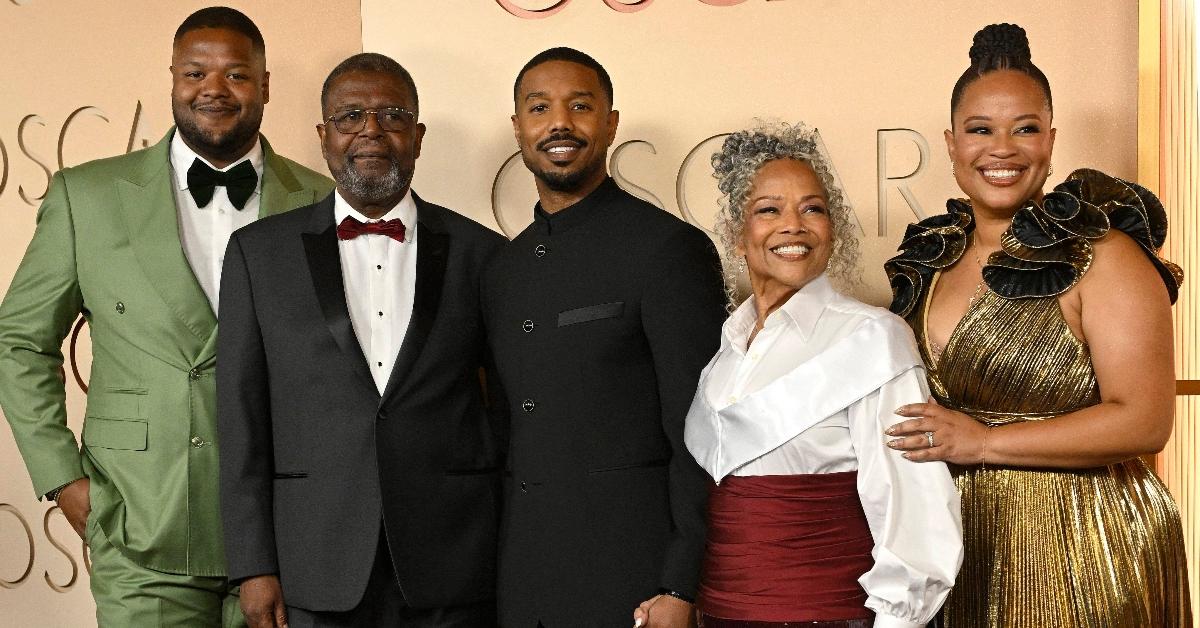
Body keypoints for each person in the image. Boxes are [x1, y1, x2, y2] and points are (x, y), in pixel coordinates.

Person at [0, 7, 331, 626]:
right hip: (139, 524)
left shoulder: (320, 199)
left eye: (236, 74)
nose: (213, 88)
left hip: (288, 532)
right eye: (194, 72)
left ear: (265, 85)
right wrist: (63, 478)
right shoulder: (88, 196)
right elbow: (19, 341)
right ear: (172, 79)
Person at [885, 23, 1192, 627]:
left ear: (1051, 140)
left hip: (1086, 546)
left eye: (1025, 128)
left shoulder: (1104, 255)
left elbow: (1146, 418)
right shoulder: (933, 256)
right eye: (981, 130)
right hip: (956, 542)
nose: (1002, 149)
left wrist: (983, 442)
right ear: (951, 143)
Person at [217, 52, 506, 628]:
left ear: (417, 137)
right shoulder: (257, 254)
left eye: (392, 115)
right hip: (312, 563)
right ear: (323, 136)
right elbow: (241, 418)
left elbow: (506, 411)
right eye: (350, 116)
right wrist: (253, 566)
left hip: (453, 562)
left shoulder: (484, 254)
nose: (371, 130)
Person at [677, 122, 962, 628]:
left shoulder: (874, 338)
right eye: (769, 210)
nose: (795, 225)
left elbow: (912, 508)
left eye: (813, 208)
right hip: (719, 616)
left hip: (827, 616)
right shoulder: (723, 353)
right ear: (737, 236)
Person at [482, 47, 727, 628]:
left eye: (580, 105)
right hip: (523, 584)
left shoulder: (669, 250)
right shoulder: (501, 271)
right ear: (518, 127)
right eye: (539, 108)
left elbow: (702, 428)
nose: (559, 122)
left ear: (611, 121)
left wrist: (682, 582)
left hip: (634, 580)